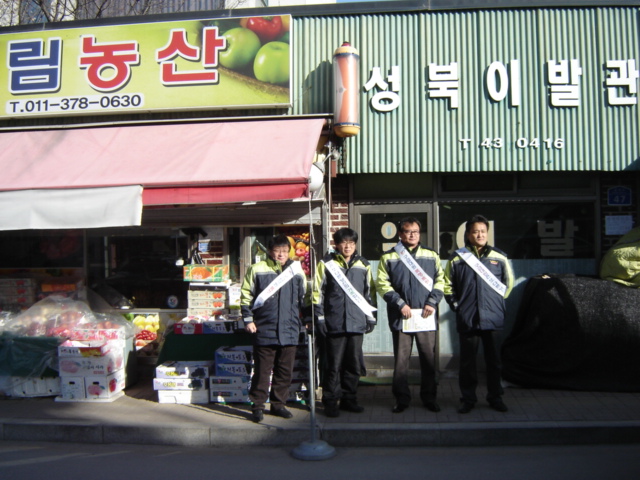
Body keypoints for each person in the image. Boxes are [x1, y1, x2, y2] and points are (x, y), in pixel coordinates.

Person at [444, 215, 514, 414]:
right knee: (467, 363)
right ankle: (468, 399)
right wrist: (457, 305)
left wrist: (497, 304)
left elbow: (508, 285)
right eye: (475, 231)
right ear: (468, 234)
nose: (480, 235)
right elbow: (447, 285)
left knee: (494, 362)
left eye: (483, 231)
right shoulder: (457, 258)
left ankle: (495, 397)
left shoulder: (499, 257)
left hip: (493, 318)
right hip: (468, 318)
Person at [376, 217, 444, 413]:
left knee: (428, 360)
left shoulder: (431, 255)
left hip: (425, 315)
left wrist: (432, 302)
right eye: (407, 231)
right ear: (400, 234)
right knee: (401, 361)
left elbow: (441, 280)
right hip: (402, 316)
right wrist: (399, 303)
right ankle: (402, 399)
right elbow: (382, 284)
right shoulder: (389, 257)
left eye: (415, 231)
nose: (412, 235)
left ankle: (429, 398)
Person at [309, 227, 377, 418]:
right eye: (344, 243)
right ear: (337, 245)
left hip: (356, 322)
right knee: (333, 365)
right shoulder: (326, 264)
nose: (348, 246)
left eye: (351, 243)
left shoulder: (363, 264)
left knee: (353, 364)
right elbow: (317, 292)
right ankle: (330, 401)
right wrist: (320, 317)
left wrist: (371, 316)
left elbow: (369, 292)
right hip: (334, 322)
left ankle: (349, 399)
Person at [240, 234, 307, 423]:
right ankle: (257, 406)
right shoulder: (257, 269)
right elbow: (246, 296)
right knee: (262, 371)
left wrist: (308, 319)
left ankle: (278, 405)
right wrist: (248, 319)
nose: (281, 255)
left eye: (285, 251)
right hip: (264, 328)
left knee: (284, 371)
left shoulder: (296, 270)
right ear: (270, 251)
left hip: (290, 329)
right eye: (277, 251)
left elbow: (304, 297)